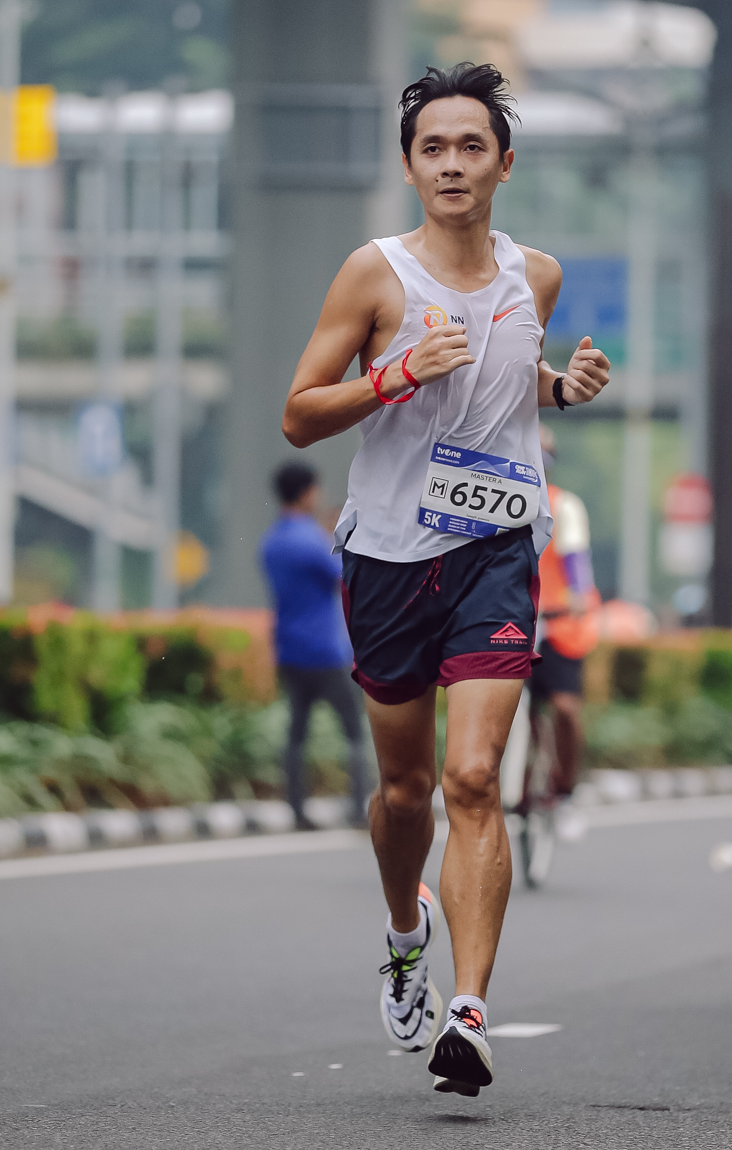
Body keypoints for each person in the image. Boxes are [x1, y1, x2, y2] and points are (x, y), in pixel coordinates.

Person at [281, 61, 610, 1096]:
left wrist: (561, 389)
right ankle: (402, 928)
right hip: (387, 555)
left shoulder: (536, 277)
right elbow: (298, 414)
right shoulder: (373, 275)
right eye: (434, 148)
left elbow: (505, 390)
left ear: (505, 165)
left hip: (496, 551)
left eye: (472, 146)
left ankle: (467, 1011)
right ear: (409, 167)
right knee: (406, 791)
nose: (453, 163)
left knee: (473, 778)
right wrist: (391, 376)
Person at [259, 462, 369, 832]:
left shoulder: (272, 540)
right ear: (307, 492)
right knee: (354, 731)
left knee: (296, 733)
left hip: (289, 648)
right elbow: (344, 575)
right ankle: (359, 808)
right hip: (326, 650)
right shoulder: (310, 540)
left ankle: (297, 810)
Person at [521, 424, 599, 843]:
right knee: (514, 711)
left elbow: (575, 562)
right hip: (512, 619)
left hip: (559, 621)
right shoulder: (496, 499)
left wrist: (579, 594)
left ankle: (567, 789)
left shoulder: (563, 506)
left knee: (565, 707)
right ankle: (519, 777)